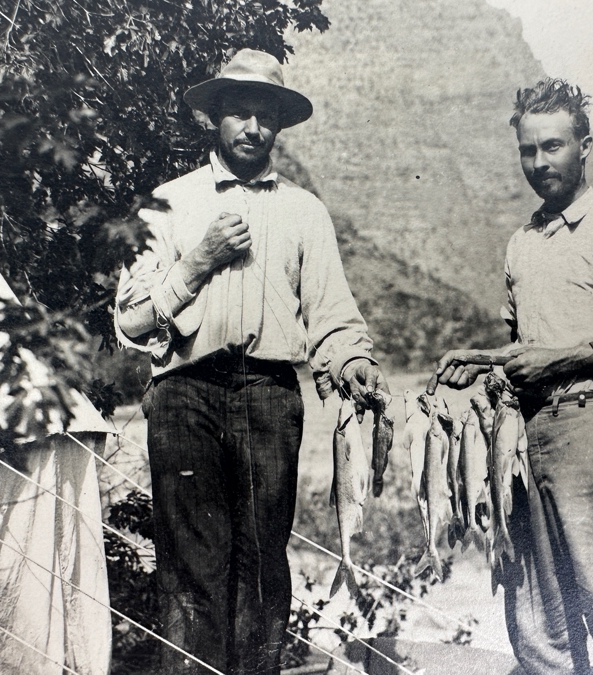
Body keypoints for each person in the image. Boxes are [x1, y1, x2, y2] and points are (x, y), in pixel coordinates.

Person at [114, 48, 387, 675]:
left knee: (263, 566)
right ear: (214, 117)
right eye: (239, 113)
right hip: (184, 396)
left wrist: (355, 364)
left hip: (269, 395)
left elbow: (334, 318)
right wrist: (196, 263)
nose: (252, 128)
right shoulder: (167, 204)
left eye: (265, 116)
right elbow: (130, 323)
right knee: (190, 567)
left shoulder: (304, 211)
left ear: (280, 125)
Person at [436, 77, 593, 674]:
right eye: (528, 150)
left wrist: (563, 360)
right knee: (541, 634)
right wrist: (489, 363)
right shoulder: (522, 242)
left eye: (553, 146)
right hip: (526, 443)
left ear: (584, 146)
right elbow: (532, 346)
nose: (540, 162)